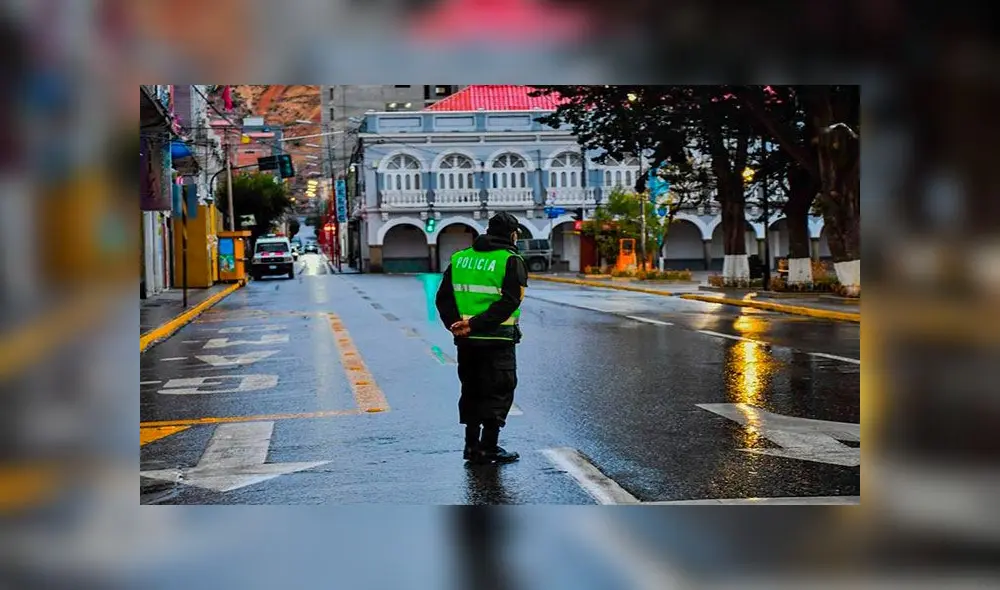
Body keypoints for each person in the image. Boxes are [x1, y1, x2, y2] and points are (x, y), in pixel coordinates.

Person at [436, 212, 528, 464]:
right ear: (512, 234)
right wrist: (475, 325)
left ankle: (471, 446)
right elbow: (509, 302)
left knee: (472, 389)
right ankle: (489, 447)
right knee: (498, 390)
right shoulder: (511, 260)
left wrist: (456, 325)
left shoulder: (460, 258)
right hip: (497, 339)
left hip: (466, 342)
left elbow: (443, 297)